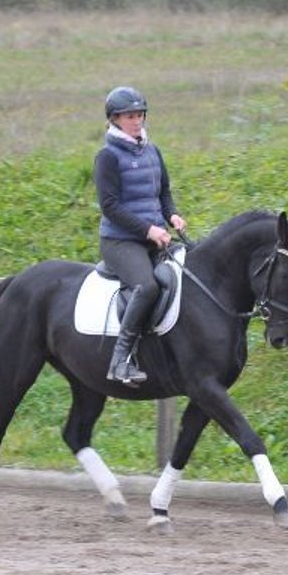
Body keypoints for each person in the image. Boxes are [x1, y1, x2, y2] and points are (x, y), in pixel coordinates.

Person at [94, 86, 187, 386]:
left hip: (155, 237)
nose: (137, 121)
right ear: (115, 120)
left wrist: (171, 214)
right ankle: (120, 361)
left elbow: (163, 192)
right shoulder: (107, 157)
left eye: (139, 115)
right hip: (120, 242)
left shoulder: (151, 151)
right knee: (146, 287)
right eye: (130, 116)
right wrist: (148, 229)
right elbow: (110, 206)